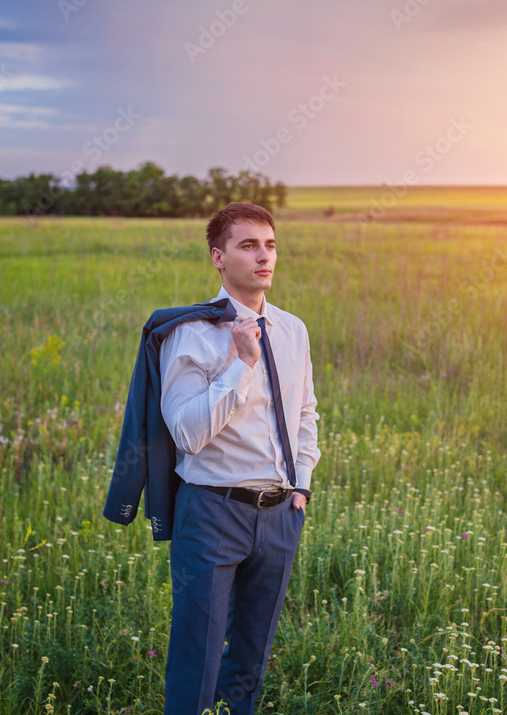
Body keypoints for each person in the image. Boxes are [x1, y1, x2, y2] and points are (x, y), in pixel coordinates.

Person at [160, 202, 320, 714]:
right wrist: (242, 367)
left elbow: (305, 412)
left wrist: (301, 484)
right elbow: (186, 434)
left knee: (251, 658)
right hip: (211, 512)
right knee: (197, 658)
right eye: (248, 245)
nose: (263, 256)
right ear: (218, 257)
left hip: (278, 516)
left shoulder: (293, 330)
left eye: (270, 244)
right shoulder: (191, 333)